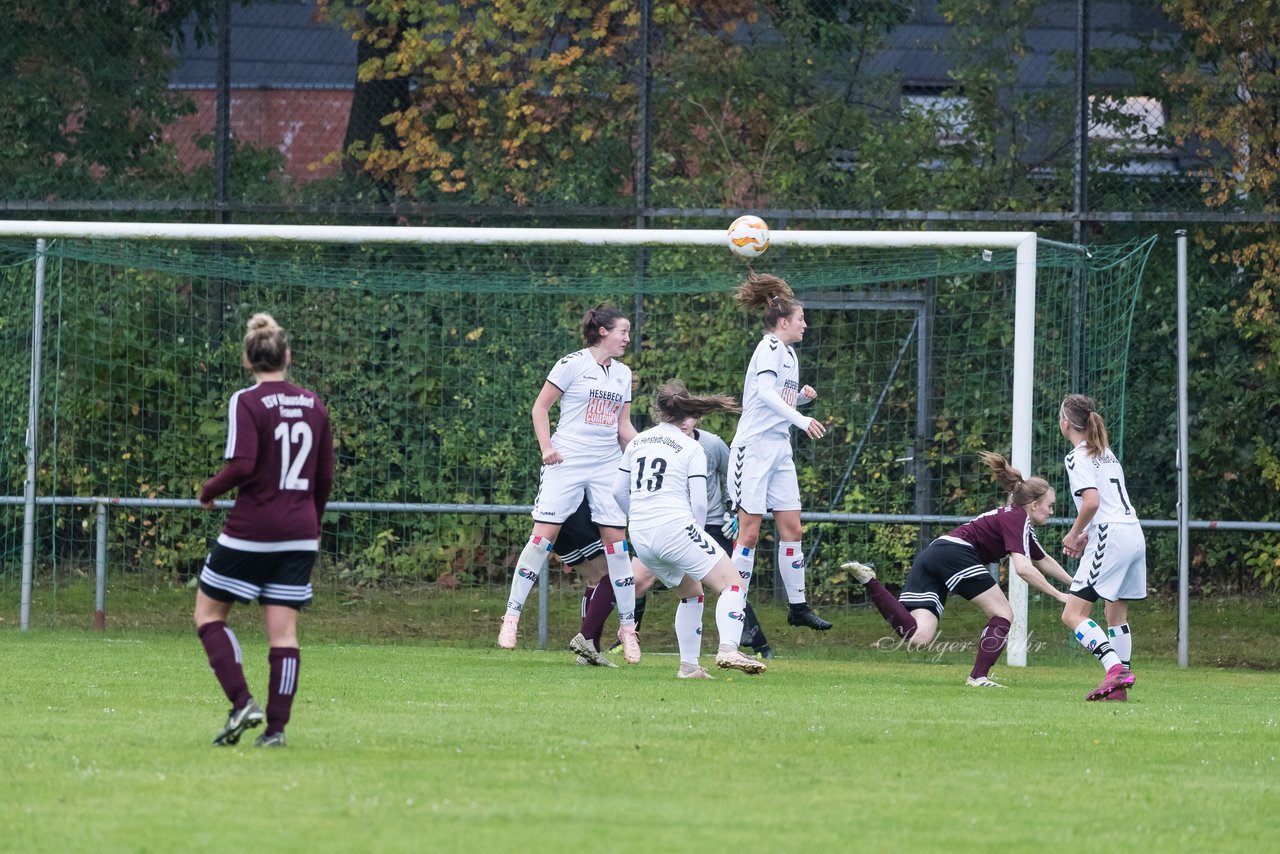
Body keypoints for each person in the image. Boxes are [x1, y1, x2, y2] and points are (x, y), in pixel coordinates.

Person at [195, 313, 334, 748]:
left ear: (247, 360)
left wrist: (208, 489)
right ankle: (275, 731)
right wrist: (314, 524)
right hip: (299, 531)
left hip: (251, 529)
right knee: (284, 633)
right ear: (287, 356)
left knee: (208, 614)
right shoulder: (314, 405)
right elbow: (325, 476)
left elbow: (243, 465)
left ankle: (241, 703)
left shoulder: (247, 401)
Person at [842, 452, 1072, 687]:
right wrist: (1059, 595)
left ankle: (870, 581)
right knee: (1003, 613)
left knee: (919, 637)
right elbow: (1024, 569)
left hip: (935, 554)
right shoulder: (1018, 519)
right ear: (1034, 505)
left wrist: (1075, 585)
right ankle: (978, 677)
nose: (1051, 511)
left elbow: (1042, 559)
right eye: (1050, 505)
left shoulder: (1017, 520)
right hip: (956, 554)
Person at [499, 303, 640, 661]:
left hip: (607, 462)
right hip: (567, 459)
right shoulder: (572, 363)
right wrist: (547, 447)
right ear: (604, 331)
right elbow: (540, 408)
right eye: (623, 331)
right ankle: (512, 615)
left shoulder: (622, 374)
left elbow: (623, 429)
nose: (628, 337)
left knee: (617, 546)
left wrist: (643, 452)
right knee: (542, 537)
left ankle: (627, 629)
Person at [610, 380, 765, 677]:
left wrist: (639, 517)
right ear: (687, 412)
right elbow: (700, 505)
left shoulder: (638, 442)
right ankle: (729, 648)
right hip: (676, 529)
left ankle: (689, 667)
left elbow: (618, 492)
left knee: (691, 593)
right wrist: (694, 532)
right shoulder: (691, 447)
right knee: (733, 583)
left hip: (641, 536)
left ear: (658, 411)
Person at [727, 272, 831, 631]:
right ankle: (734, 606)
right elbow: (766, 394)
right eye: (801, 319)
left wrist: (800, 397)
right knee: (750, 534)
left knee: (792, 529)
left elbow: (774, 397)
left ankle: (798, 607)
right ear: (783, 322)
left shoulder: (788, 353)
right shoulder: (769, 347)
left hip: (779, 449)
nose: (805, 325)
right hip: (753, 449)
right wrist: (802, 418)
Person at [1058, 393, 1145, 702]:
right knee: (1116, 614)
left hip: (1112, 535)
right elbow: (1106, 503)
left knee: (1073, 614)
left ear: (1065, 422)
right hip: (1132, 533)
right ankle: (1119, 691)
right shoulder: (1106, 452)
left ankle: (1115, 670)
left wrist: (1073, 534)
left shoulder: (1076, 457)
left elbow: (1093, 502)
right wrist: (1087, 535)